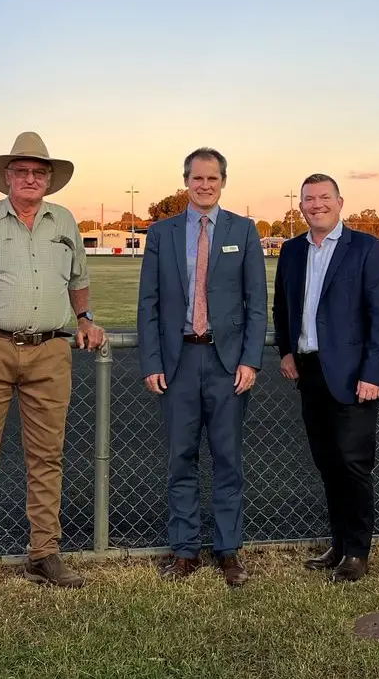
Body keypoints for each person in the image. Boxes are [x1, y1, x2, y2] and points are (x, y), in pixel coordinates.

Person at [0, 133, 107, 603]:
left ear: (48, 180)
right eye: (22, 171)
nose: (31, 179)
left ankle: (43, 553)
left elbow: (79, 280)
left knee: (47, 456)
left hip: (50, 349)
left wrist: (85, 318)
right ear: (7, 177)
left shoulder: (64, 221)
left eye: (39, 172)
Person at [136, 147, 266, 587]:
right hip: (179, 361)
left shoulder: (243, 230)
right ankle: (185, 550)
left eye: (213, 178)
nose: (205, 185)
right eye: (197, 178)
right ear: (186, 181)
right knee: (181, 458)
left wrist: (250, 359)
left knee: (228, 460)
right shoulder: (162, 233)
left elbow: (256, 303)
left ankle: (228, 550)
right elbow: (149, 303)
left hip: (227, 363)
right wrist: (152, 360)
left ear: (223, 182)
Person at [273, 174, 379, 582]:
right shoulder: (292, 250)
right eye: (309, 199)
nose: (317, 204)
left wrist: (373, 372)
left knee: (353, 464)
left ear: (340, 202)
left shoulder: (367, 248)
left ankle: (357, 551)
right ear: (301, 206)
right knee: (327, 463)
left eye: (324, 197)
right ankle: (340, 543)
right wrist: (286, 351)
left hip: (354, 375)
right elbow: (282, 307)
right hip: (310, 372)